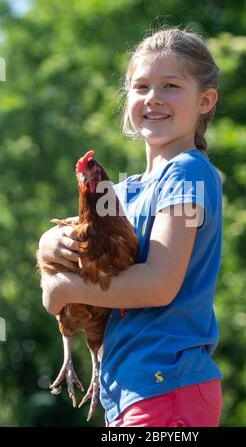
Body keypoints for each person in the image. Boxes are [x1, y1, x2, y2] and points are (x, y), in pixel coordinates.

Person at [39, 28, 223, 427]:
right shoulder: (123, 191)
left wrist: (66, 287)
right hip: (129, 387)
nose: (153, 97)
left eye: (170, 85)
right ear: (128, 102)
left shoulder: (187, 175)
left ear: (205, 101)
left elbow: (159, 283)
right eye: (141, 86)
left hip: (167, 382)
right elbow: (73, 248)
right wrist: (48, 244)